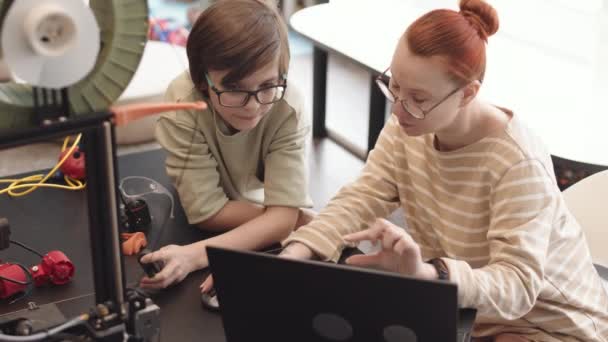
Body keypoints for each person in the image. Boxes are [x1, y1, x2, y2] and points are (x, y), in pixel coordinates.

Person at [280, 1, 608, 341]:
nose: (399, 109)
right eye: (395, 85)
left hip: (553, 324)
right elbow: (362, 198)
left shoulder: (516, 162)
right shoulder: (409, 127)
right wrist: (296, 254)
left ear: (467, 93)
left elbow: (518, 285)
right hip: (467, 313)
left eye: (419, 98)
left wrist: (430, 274)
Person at [140, 0, 313, 290]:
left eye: (267, 86)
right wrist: (287, 217)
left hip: (247, 206)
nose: (253, 106)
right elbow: (206, 212)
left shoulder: (287, 104)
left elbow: (283, 217)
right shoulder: (183, 105)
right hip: (211, 213)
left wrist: (196, 256)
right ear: (202, 81)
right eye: (234, 89)